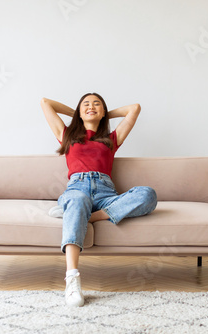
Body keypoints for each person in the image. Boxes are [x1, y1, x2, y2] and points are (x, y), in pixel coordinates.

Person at [40, 93, 157, 307]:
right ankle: (72, 279)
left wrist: (103, 115)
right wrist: (78, 114)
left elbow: (134, 108)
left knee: (147, 194)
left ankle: (86, 217)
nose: (91, 106)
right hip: (77, 188)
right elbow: (46, 103)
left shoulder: (112, 139)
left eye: (97, 104)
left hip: (106, 194)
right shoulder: (66, 135)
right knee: (78, 199)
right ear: (79, 110)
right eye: (86, 104)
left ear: (103, 111)